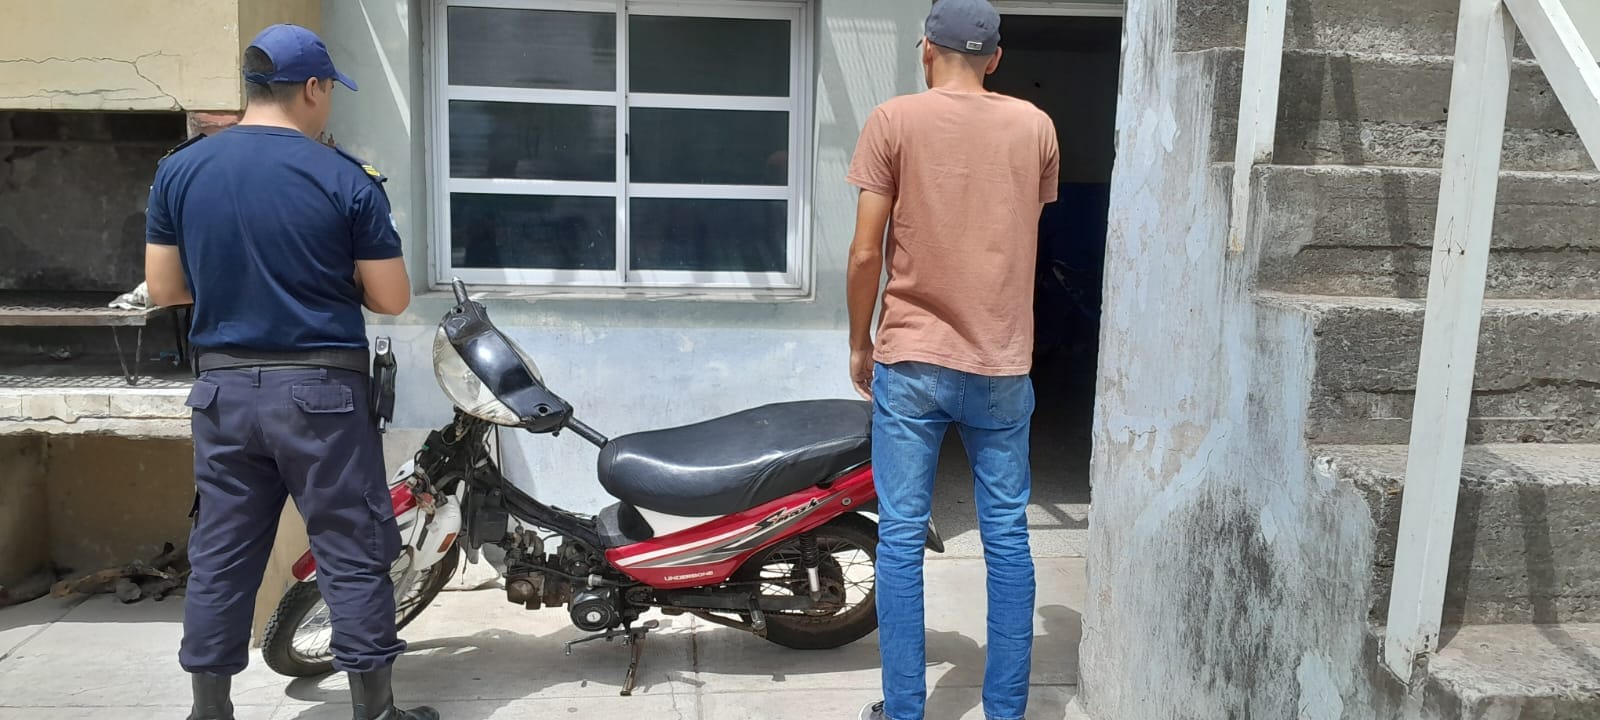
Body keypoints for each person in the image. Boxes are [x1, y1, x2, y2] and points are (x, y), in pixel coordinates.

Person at [143, 24, 432, 720]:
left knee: (222, 552)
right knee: (351, 547)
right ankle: (375, 712)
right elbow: (392, 297)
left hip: (223, 393)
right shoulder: (346, 179)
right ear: (312, 88)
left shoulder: (180, 171)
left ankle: (209, 711)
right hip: (320, 395)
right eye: (330, 90)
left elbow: (164, 289)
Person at [843, 0, 1060, 718]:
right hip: (1001, 361)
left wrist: (859, 341)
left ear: (926, 49)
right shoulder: (1036, 127)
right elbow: (1015, 232)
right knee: (1008, 538)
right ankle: (1006, 711)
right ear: (995, 58)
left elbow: (866, 252)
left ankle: (904, 711)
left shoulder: (892, 120)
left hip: (911, 358)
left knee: (901, 539)